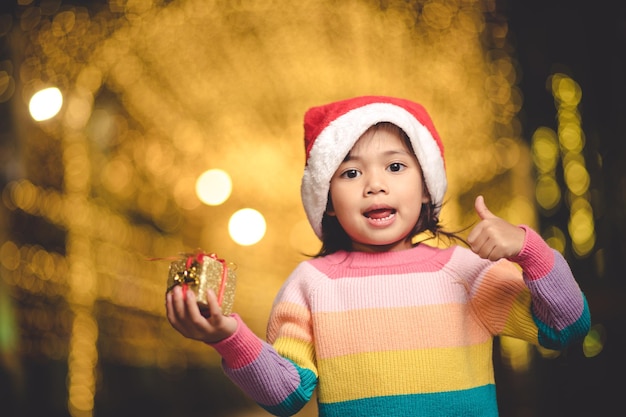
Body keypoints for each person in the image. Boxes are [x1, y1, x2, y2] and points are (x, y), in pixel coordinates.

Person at [166, 96, 591, 416]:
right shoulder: (311, 285)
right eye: (350, 173)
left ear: (426, 187)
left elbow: (567, 327)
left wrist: (528, 250)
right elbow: (287, 395)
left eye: (395, 167)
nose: (374, 185)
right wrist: (226, 337)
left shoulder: (463, 271)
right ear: (327, 201)